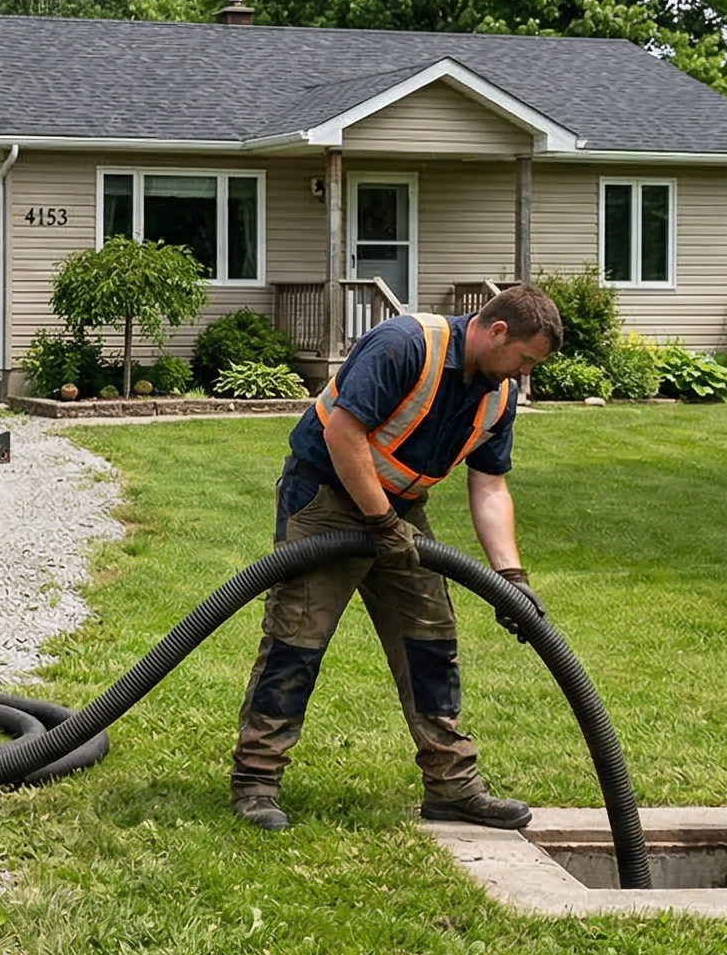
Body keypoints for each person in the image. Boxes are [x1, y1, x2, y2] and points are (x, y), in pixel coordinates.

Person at [230, 284, 561, 833]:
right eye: (523, 360)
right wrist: (380, 522)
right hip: (327, 497)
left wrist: (511, 576)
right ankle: (256, 781)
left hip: (401, 511)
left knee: (431, 637)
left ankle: (452, 786)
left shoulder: (497, 396)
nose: (521, 373)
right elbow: (344, 432)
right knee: (298, 637)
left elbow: (490, 488)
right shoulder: (407, 343)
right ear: (498, 331)